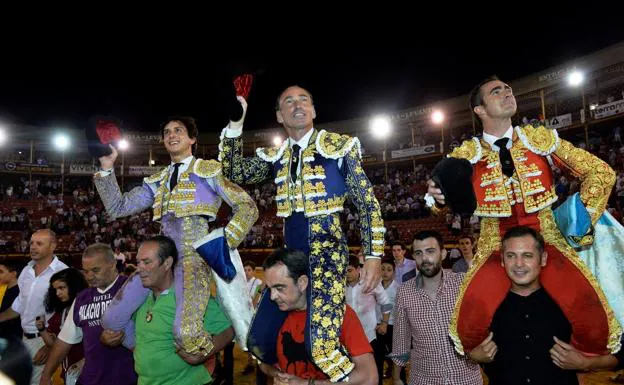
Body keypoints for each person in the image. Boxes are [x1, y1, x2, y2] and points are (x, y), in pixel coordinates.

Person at [426, 76, 622, 356]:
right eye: (497, 91)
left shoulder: (540, 140)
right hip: (496, 244)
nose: (507, 92)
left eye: (508, 88)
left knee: (595, 325)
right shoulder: (466, 155)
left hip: (547, 239)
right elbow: (438, 205)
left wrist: (579, 221)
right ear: (479, 110)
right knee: (468, 326)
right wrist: (437, 198)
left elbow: (601, 173)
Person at [219, 86, 385, 381]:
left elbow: (366, 203)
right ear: (279, 116)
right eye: (288, 101)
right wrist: (236, 123)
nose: (297, 105)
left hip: (327, 255)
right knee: (261, 338)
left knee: (321, 346)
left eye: (304, 99)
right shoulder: (278, 155)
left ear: (314, 111)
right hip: (290, 260)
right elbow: (234, 171)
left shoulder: (338, 146)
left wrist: (373, 254)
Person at [93, 115, 258, 355]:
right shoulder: (157, 180)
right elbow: (118, 208)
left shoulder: (208, 171)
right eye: (168, 132)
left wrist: (225, 242)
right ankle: (155, 352)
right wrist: (107, 168)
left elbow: (247, 206)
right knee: (111, 319)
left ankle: (211, 358)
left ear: (192, 139)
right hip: (160, 258)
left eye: (178, 130)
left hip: (194, 259)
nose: (172, 135)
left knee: (187, 334)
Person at [469, 226, 624, 385]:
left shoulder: (572, 304)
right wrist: (473, 356)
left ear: (543, 258)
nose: (519, 264)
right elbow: (464, 347)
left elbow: (619, 355)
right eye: (511, 256)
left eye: (527, 255)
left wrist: (585, 363)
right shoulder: (487, 306)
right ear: (502, 260)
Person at [258, 247, 377, 385]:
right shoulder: (274, 313)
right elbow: (263, 361)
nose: (273, 296)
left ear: (302, 283)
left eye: (279, 288)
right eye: (269, 288)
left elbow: (369, 377)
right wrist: (278, 375)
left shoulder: (338, 315)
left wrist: (307, 384)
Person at [130, 235, 234, 385]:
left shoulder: (191, 296)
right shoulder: (139, 299)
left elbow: (227, 332)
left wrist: (203, 353)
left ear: (167, 263)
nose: (139, 269)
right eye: (138, 262)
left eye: (146, 262)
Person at [390, 231, 483, 385]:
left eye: (431, 251)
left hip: (466, 378)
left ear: (444, 253)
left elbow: (483, 326)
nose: (425, 258)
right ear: (414, 257)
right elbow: (401, 341)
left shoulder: (463, 284)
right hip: (424, 379)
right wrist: (396, 378)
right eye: (419, 253)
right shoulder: (405, 292)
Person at [39, 243, 137, 385]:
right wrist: (46, 375)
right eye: (86, 271)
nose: (90, 276)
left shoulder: (132, 288)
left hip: (128, 379)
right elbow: (64, 341)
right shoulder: (81, 299)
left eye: (95, 270)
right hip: (90, 379)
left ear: (112, 264)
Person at [0, 229, 68, 385]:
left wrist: (50, 346)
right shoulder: (26, 271)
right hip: (25, 337)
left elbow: (68, 315)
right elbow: (18, 307)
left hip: (44, 340)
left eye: (39, 243)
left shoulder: (63, 272)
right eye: (31, 243)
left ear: (52, 246)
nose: (33, 247)